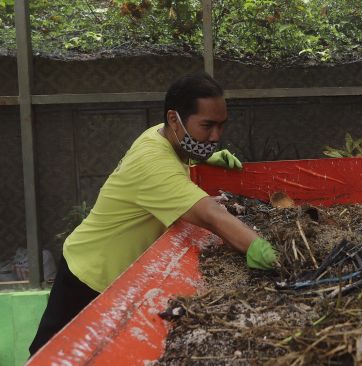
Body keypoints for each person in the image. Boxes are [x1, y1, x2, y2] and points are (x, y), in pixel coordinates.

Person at [29, 72, 278, 355]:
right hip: (89, 277)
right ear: (175, 120)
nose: (216, 137)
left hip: (115, 275)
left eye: (221, 126)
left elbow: (175, 154)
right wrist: (258, 247)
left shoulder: (158, 135)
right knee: (49, 356)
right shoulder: (153, 163)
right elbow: (211, 215)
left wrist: (205, 157)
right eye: (207, 126)